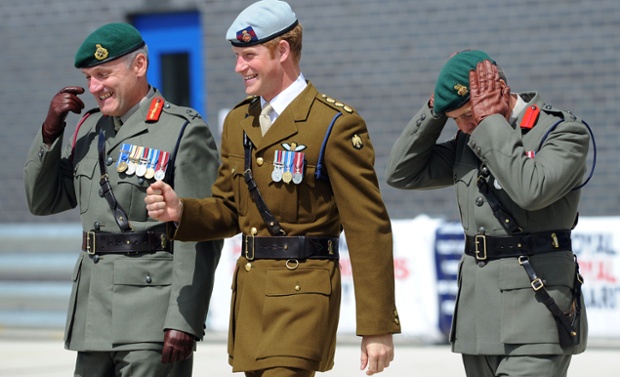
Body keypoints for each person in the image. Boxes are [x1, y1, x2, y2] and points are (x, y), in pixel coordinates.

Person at [145, 1, 401, 376]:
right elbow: (229, 210)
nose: (238, 67)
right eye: (236, 56)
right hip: (251, 301)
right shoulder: (238, 121)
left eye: (249, 55)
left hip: (304, 297)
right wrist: (181, 211)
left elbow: (368, 229)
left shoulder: (334, 124)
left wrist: (377, 326)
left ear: (282, 51)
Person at [24, 22, 222, 377]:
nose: (94, 87)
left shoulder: (182, 129)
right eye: (88, 78)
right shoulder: (89, 128)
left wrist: (184, 318)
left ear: (140, 66)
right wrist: (50, 132)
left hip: (151, 315)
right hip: (92, 315)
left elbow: (201, 232)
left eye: (103, 74)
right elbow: (43, 201)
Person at [385, 49, 590, 376]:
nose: (465, 128)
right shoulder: (470, 139)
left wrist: (490, 120)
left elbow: (530, 190)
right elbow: (402, 173)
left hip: (537, 313)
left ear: (502, 93)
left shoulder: (561, 132)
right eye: (456, 121)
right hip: (479, 318)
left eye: (468, 116)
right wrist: (436, 109)